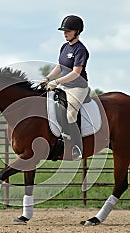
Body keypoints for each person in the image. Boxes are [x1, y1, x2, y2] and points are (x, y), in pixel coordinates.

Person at [41, 15, 90, 161]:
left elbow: (76, 73)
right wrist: (48, 78)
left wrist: (56, 82)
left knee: (70, 115)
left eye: (68, 31)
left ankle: (77, 147)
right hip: (64, 85)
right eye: (64, 31)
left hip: (78, 87)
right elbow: (59, 67)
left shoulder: (81, 50)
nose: (65, 33)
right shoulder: (64, 47)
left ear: (77, 31)